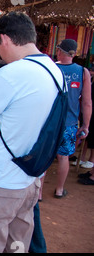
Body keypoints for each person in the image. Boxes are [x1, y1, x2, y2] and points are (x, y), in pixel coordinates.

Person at [0, 11, 65, 253]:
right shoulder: (54, 70)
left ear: (4, 39)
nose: (1, 54)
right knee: (16, 245)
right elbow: (24, 114)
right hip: (29, 180)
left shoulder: (10, 74)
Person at [53, 39, 91, 198]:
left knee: (45, 154)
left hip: (49, 122)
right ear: (74, 54)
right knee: (63, 157)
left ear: (59, 51)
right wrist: (85, 125)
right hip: (69, 123)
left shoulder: (51, 68)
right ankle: (59, 190)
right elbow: (87, 102)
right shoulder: (83, 72)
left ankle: (39, 192)